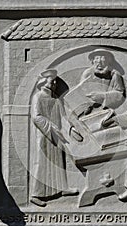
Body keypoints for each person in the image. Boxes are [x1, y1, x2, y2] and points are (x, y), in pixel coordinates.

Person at [30, 69, 79, 207]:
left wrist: (71, 129)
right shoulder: (38, 97)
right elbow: (36, 117)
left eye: (56, 80)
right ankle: (36, 194)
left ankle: (62, 188)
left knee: (58, 162)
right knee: (42, 163)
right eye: (53, 80)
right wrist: (51, 127)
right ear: (45, 81)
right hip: (45, 135)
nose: (55, 83)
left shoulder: (56, 100)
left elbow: (63, 117)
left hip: (57, 136)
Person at [75, 49, 125, 116]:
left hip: (106, 110)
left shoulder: (114, 74)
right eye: (97, 58)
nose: (99, 62)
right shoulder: (87, 73)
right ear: (93, 61)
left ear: (108, 61)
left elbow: (120, 94)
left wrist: (102, 96)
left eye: (102, 58)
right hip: (87, 110)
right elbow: (80, 91)